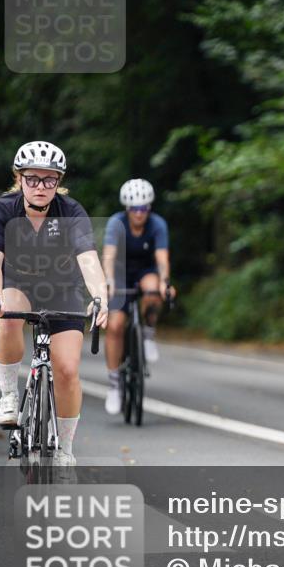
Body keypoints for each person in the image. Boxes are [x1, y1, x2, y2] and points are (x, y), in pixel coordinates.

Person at [0, 141, 109, 466]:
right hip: (18, 284)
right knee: (8, 312)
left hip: (61, 289)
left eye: (49, 179)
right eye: (33, 178)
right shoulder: (1, 209)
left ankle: (64, 449)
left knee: (66, 370)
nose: (40, 186)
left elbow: (89, 260)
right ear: (19, 178)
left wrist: (99, 297)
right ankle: (9, 395)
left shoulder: (71, 212)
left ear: (58, 180)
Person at [101, 178, 172, 415]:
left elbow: (162, 259)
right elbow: (109, 257)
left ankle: (148, 334)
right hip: (120, 274)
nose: (139, 213)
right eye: (134, 209)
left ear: (149, 208)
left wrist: (164, 283)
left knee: (153, 290)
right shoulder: (115, 223)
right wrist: (109, 282)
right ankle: (113, 384)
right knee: (115, 325)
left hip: (145, 271)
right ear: (127, 209)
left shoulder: (157, 224)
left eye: (143, 208)